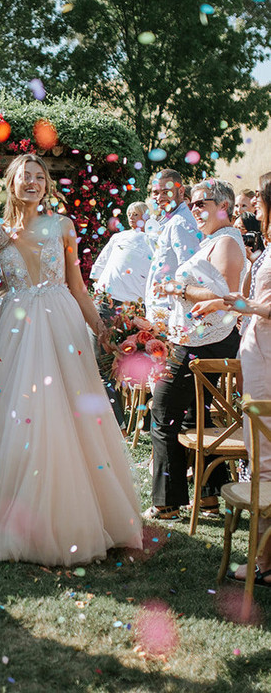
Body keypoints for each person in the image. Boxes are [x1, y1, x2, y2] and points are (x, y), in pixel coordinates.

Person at [0, 154, 142, 566]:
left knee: (70, 415)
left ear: (47, 185)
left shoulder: (64, 226)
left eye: (39, 177)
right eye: (25, 177)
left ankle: (83, 514)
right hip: (17, 334)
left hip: (63, 329)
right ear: (11, 184)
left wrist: (102, 330)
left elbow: (77, 286)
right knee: (19, 414)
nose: (33, 183)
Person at [145, 179, 247, 521]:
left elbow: (228, 297)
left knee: (162, 412)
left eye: (202, 204)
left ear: (224, 206)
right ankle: (208, 500)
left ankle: (167, 502)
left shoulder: (229, 242)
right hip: (194, 340)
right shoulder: (213, 241)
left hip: (203, 345)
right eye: (193, 204)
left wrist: (180, 287)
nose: (195, 210)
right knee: (193, 417)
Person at [219, 171, 271, 587]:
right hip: (258, 356)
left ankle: (264, 564)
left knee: (266, 461)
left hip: (268, 361)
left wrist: (232, 301)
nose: (253, 214)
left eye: (257, 207)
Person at [89, 200, 153, 428]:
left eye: (138, 213)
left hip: (135, 308)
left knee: (142, 360)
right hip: (106, 303)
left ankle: (146, 420)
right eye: (130, 214)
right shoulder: (118, 238)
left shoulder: (155, 240)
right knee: (101, 360)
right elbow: (98, 270)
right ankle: (117, 422)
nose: (133, 217)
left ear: (148, 216)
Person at [145, 169, 201, 323]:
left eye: (166, 192)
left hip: (168, 312)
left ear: (181, 191)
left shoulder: (180, 223)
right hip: (159, 308)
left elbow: (188, 271)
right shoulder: (169, 219)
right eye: (155, 193)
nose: (159, 197)